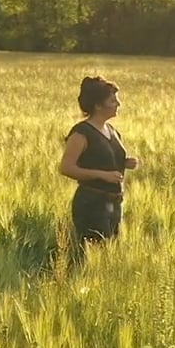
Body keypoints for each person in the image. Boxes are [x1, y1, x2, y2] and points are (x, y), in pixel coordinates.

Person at [58, 75, 139, 267]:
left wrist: (125, 162)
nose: (118, 104)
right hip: (92, 203)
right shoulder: (81, 133)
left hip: (115, 203)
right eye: (112, 100)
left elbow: (104, 158)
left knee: (110, 257)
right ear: (98, 105)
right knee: (94, 258)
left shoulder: (112, 130)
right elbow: (66, 167)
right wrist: (102, 175)